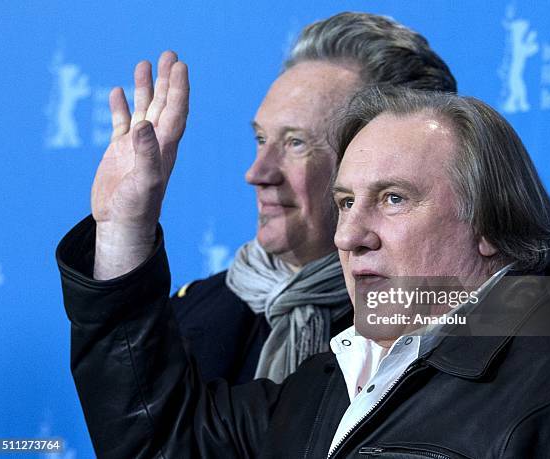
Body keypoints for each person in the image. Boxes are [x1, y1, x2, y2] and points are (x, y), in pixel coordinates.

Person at [58, 87, 550, 458]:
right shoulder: (336, 377)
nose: (349, 236)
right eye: (344, 203)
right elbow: (168, 441)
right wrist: (124, 229)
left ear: (488, 223)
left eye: (393, 199)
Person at [81, 12, 457, 387]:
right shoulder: (192, 314)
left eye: (296, 143)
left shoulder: (455, 321)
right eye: (262, 139)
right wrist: (121, 233)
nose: (257, 173)